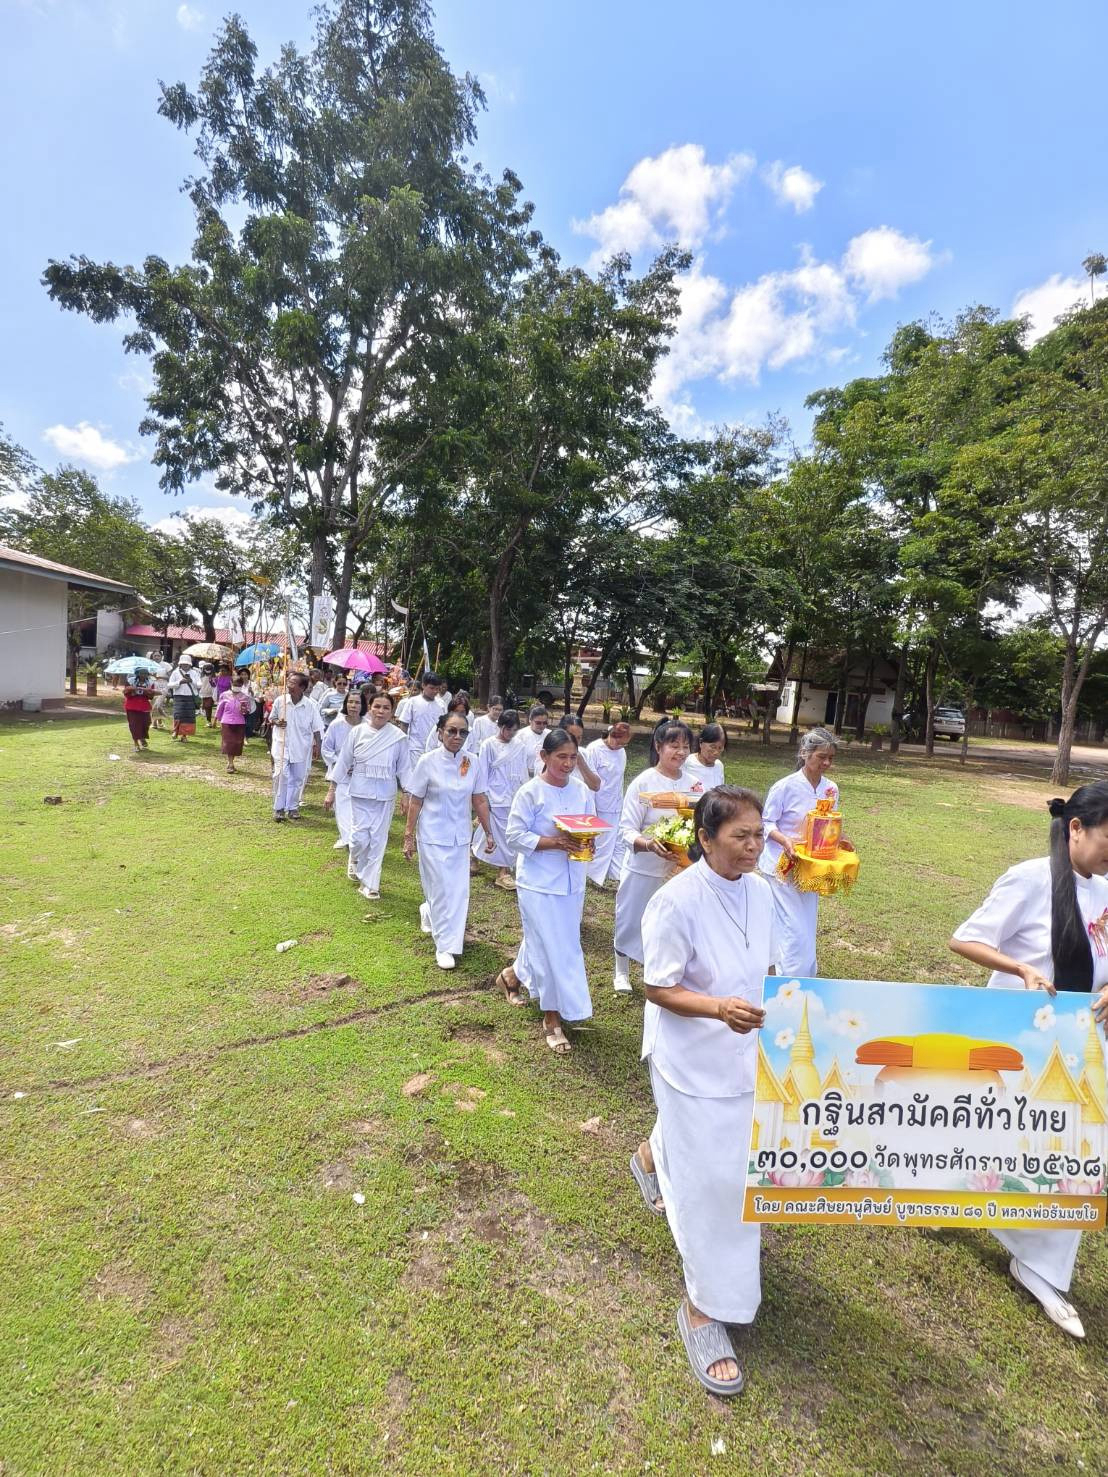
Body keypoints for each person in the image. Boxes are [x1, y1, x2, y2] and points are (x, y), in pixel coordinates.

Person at [948, 782, 1108, 1340]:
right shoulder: (1030, 878)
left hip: (1081, 1047)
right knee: (995, 1138)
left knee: (1070, 1152)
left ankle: (1039, 1265)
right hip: (1017, 1040)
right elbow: (965, 939)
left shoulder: (1106, 887)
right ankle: (947, 1201)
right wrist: (1020, 970)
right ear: (1076, 828)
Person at [633, 786, 773, 1397]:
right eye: (741, 836)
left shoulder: (764, 892)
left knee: (733, 1169)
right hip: (690, 1063)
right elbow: (657, 987)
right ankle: (702, 1309)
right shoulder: (676, 902)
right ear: (707, 838)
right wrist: (718, 1009)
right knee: (714, 1187)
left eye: (759, 834)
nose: (753, 846)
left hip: (745, 1058)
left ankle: (646, 1157)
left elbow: (765, 967)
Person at [501, 727, 597, 1054]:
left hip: (572, 880)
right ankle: (552, 1016)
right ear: (544, 757)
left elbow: (589, 825)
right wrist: (554, 842)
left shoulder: (582, 791)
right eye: (561, 757)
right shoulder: (530, 793)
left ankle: (511, 976)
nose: (568, 764)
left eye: (573, 757)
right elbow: (514, 836)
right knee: (553, 949)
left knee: (554, 940)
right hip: (538, 882)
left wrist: (588, 842)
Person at [403, 710, 493, 968]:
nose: (457, 736)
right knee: (441, 889)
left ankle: (436, 922)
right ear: (440, 732)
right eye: (451, 731)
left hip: (460, 837)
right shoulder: (427, 761)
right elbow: (416, 799)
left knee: (457, 891)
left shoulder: (472, 762)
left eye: (462, 732)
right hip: (431, 835)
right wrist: (408, 835)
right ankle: (444, 945)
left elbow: (479, 798)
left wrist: (488, 832)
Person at [613, 721, 698, 994]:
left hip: (679, 869)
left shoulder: (695, 785)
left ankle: (664, 973)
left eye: (686, 746)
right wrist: (648, 844)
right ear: (658, 747)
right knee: (630, 919)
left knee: (670, 924)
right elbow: (626, 829)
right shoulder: (643, 783)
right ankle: (621, 971)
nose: (681, 752)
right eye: (674, 745)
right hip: (644, 867)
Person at [758, 727, 850, 978]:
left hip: (811, 868)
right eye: (822, 757)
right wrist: (786, 841)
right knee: (792, 930)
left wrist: (840, 840)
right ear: (805, 754)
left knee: (807, 927)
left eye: (831, 757)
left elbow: (827, 823)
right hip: (781, 867)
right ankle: (788, 985)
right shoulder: (784, 787)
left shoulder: (831, 789)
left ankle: (805, 980)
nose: (827, 763)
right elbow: (766, 823)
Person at [337, 691, 410, 901]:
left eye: (386, 707)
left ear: (392, 712)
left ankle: (370, 884)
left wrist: (406, 793)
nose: (381, 711)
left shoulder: (398, 737)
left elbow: (404, 768)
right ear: (369, 708)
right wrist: (332, 789)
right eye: (377, 706)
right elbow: (344, 761)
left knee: (378, 840)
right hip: (360, 792)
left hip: (385, 795)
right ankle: (355, 857)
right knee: (360, 838)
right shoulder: (357, 732)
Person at [471, 709, 528, 890]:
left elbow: (522, 770)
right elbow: (483, 771)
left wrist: (524, 791)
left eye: (514, 730)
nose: (510, 734)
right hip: (494, 794)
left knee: (506, 831)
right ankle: (498, 870)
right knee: (492, 829)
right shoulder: (488, 744)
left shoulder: (519, 745)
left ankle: (498, 868)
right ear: (501, 727)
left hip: (513, 793)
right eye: (508, 729)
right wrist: (483, 796)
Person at [583, 721, 632, 889]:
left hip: (616, 802)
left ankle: (614, 875)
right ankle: (595, 877)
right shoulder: (594, 749)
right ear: (611, 735)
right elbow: (590, 780)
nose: (619, 746)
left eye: (624, 744)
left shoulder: (622, 752)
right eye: (618, 742)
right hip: (600, 803)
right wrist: (592, 808)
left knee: (618, 842)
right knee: (602, 842)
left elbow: (619, 778)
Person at [270, 673, 324, 821]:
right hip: (282, 744)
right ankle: (279, 808)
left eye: (293, 683)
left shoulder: (311, 705)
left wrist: (318, 746)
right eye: (289, 682)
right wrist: (277, 722)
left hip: (302, 748)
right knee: (281, 775)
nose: (289, 685)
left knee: (297, 778)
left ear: (302, 687)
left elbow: (317, 728)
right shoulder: (280, 701)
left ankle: (292, 807)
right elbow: (271, 718)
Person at [321, 688, 365, 848]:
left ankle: (355, 837)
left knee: (358, 808)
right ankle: (347, 838)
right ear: (346, 704)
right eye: (350, 702)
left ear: (363, 705)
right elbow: (326, 749)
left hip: (361, 773)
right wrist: (341, 763)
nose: (353, 706)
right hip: (341, 773)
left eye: (357, 703)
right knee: (342, 806)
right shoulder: (336, 725)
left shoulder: (367, 726)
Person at [396, 673, 447, 772]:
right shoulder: (412, 702)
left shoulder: (441, 704)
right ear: (423, 685)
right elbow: (404, 725)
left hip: (435, 748)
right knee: (416, 777)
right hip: (416, 748)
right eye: (432, 688)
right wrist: (402, 747)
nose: (435, 691)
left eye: (437, 689)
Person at [214, 676, 254, 773]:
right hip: (226, 722)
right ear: (231, 684)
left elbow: (248, 710)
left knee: (236, 744)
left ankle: (231, 762)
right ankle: (230, 764)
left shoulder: (245, 697)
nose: (237, 687)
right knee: (228, 743)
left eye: (239, 685)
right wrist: (216, 720)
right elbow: (220, 708)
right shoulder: (224, 695)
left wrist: (245, 710)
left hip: (239, 722)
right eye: (235, 685)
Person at [684, 723, 727, 795]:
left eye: (720, 748)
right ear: (701, 742)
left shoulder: (719, 766)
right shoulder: (687, 762)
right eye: (713, 747)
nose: (716, 752)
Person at [167, 655, 201, 742]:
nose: (185, 665)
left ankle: (184, 735)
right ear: (180, 664)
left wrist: (191, 681)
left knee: (187, 718)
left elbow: (199, 684)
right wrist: (180, 682)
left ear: (190, 665)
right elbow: (170, 684)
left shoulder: (194, 673)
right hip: (179, 697)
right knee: (178, 715)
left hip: (190, 698)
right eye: (183, 664)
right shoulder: (175, 672)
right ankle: (175, 731)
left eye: (187, 664)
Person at [515, 705, 550, 776]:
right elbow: (515, 760)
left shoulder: (550, 735)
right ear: (530, 720)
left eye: (545, 723)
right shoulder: (520, 736)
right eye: (538, 723)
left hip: (546, 777)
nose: (542, 725)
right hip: (525, 776)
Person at [122, 675, 152, 752]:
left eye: (145, 673)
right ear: (138, 674)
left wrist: (147, 692)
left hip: (144, 706)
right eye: (142, 673)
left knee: (146, 723)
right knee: (134, 725)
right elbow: (125, 692)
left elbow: (151, 696)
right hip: (132, 706)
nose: (143, 675)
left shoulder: (150, 682)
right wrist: (133, 692)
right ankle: (136, 743)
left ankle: (142, 737)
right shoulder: (130, 681)